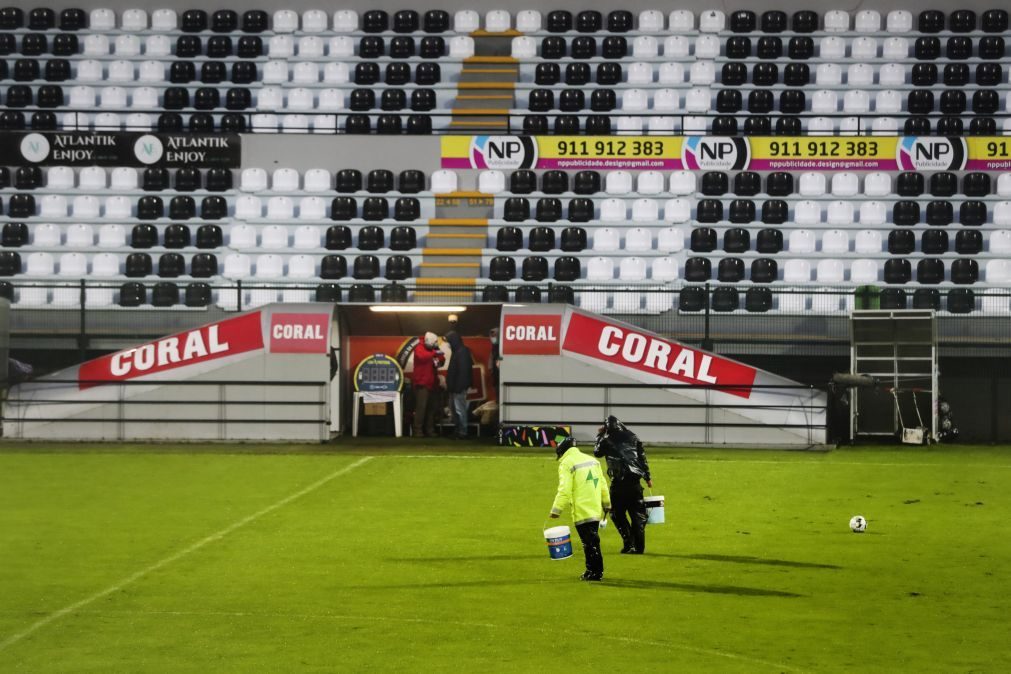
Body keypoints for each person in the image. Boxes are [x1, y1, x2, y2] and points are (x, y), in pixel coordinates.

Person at [549, 437, 611, 581]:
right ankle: (591, 570)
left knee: (589, 541)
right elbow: (602, 484)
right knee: (591, 540)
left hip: (582, 508)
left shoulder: (567, 463)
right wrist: (607, 503)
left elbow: (564, 489)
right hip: (595, 507)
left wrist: (556, 510)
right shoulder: (593, 461)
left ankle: (596, 572)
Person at [593, 416, 652, 554]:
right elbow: (642, 458)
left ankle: (629, 543)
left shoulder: (606, 439)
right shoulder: (633, 436)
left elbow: (597, 453)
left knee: (616, 514)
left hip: (619, 484)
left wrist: (600, 435)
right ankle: (639, 547)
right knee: (638, 515)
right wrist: (648, 477)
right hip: (635, 483)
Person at [410, 332, 444, 438]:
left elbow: (442, 359)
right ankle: (417, 431)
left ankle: (429, 430)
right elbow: (422, 357)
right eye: (434, 343)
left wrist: (439, 358)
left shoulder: (432, 349)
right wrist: (435, 353)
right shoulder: (419, 348)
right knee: (421, 408)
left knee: (432, 408)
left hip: (432, 383)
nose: (435, 345)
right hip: (421, 384)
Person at [444, 331, 473, 439]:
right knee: (455, 410)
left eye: (449, 341)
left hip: (458, 388)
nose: (448, 343)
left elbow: (464, 372)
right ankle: (458, 430)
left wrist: (459, 387)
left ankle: (463, 432)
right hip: (454, 388)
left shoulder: (462, 352)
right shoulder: (457, 351)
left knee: (460, 410)